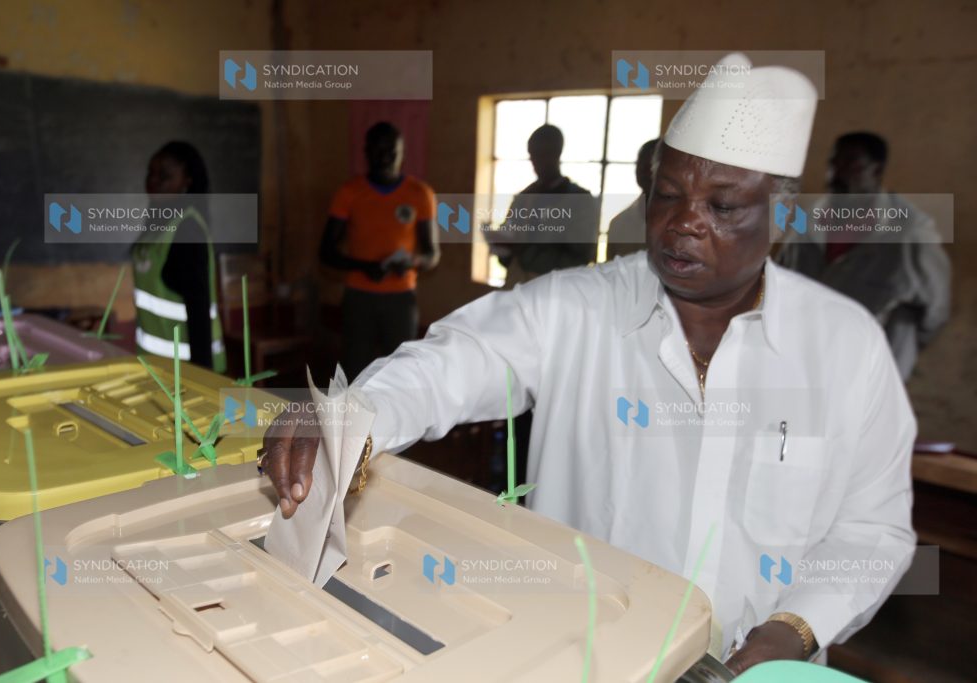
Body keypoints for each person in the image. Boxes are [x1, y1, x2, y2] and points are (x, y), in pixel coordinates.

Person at [263, 55, 915, 674]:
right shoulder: (578, 308)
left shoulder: (844, 347)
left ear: (784, 217)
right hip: (583, 660)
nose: (682, 222)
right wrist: (349, 416)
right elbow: (457, 358)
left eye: (722, 206)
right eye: (667, 193)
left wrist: (794, 628)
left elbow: (872, 527)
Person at [778, 132, 951, 379]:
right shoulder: (806, 225)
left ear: (877, 171)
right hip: (804, 362)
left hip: (868, 372)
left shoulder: (909, 234)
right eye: (833, 163)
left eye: (851, 163)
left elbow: (935, 311)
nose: (836, 173)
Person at [320, 122, 439, 381]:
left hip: (401, 299)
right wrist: (364, 267)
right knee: (354, 371)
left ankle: (397, 422)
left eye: (391, 152)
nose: (384, 159)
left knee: (400, 373)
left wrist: (413, 262)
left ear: (402, 153)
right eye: (377, 151)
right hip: (359, 298)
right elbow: (326, 252)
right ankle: (353, 421)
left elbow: (432, 254)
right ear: (366, 152)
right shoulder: (350, 192)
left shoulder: (420, 194)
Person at [132, 141, 226, 372]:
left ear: (186, 181)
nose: (153, 181)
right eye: (150, 173)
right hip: (157, 367)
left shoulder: (187, 230)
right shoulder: (157, 226)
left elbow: (199, 312)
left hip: (187, 372)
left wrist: (204, 380)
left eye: (164, 175)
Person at [491, 124, 598, 282]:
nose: (536, 161)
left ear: (557, 153)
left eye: (542, 154)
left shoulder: (580, 201)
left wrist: (525, 251)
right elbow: (507, 246)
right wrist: (502, 247)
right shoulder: (523, 198)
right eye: (532, 155)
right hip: (518, 288)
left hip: (556, 293)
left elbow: (579, 259)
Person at [606, 137, 659, 260]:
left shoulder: (683, 224)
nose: (645, 171)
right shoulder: (618, 224)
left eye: (652, 165)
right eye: (640, 164)